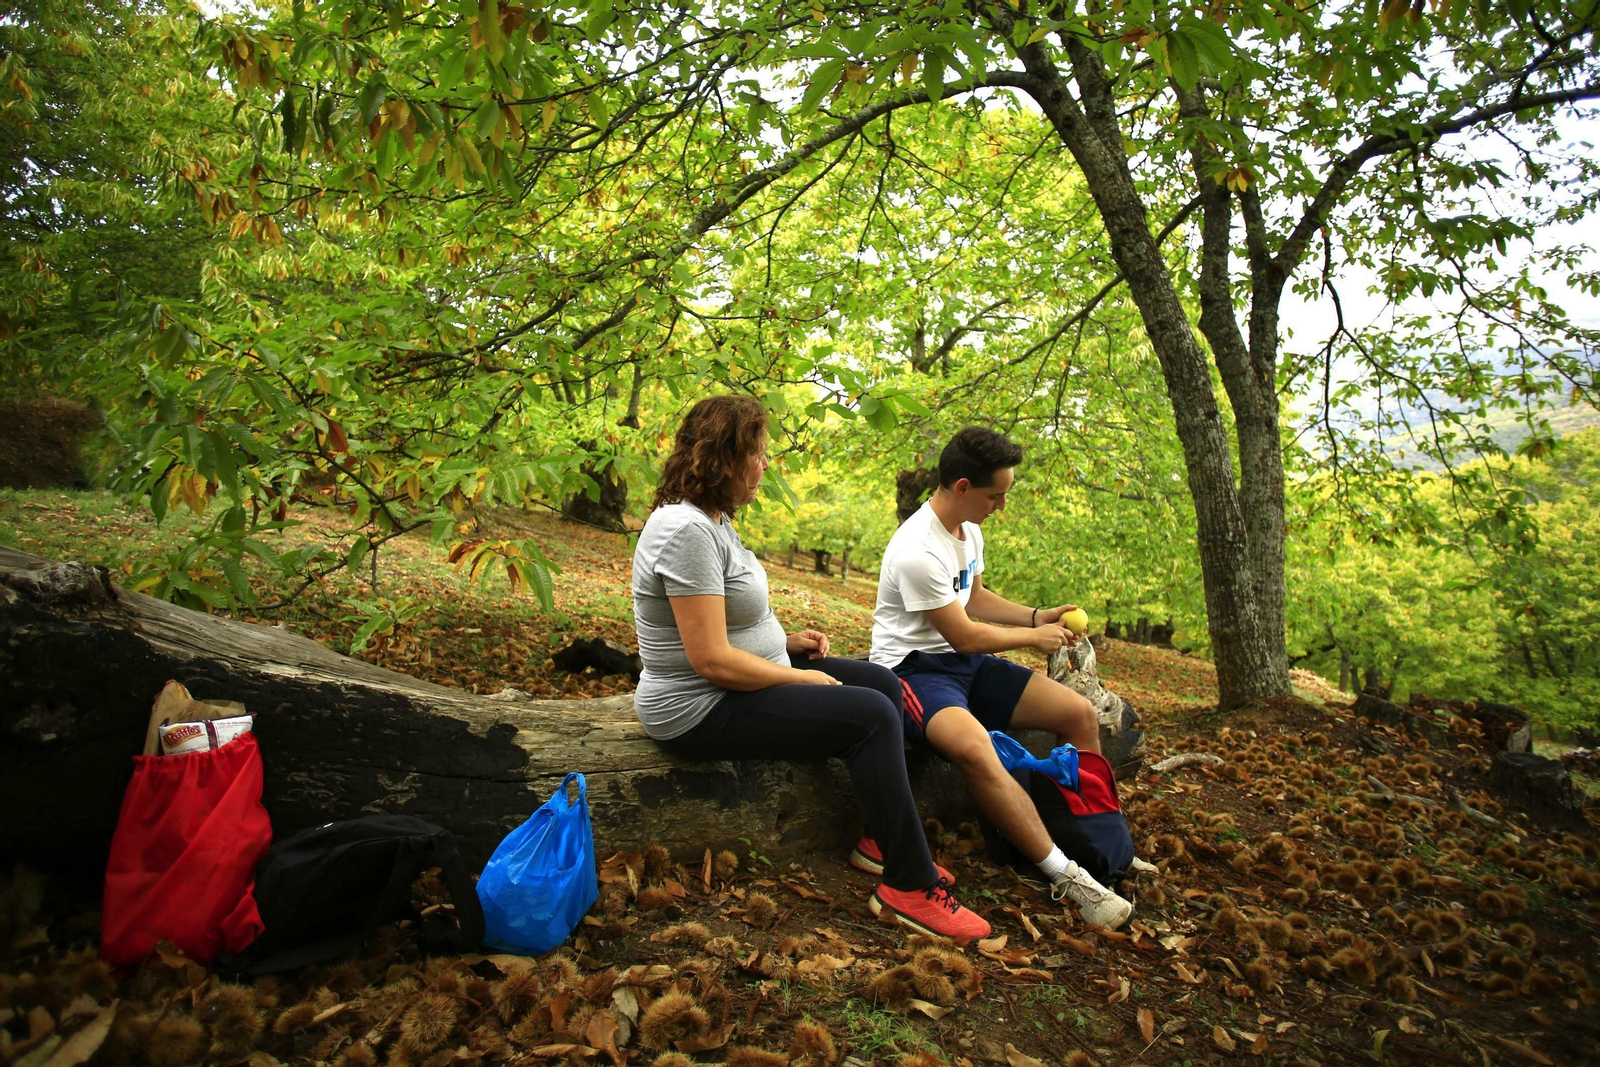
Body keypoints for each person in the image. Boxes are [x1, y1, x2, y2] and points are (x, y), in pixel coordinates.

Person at [631, 395, 989, 942]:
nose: (766, 465)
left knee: (881, 681)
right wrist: (799, 676)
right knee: (868, 713)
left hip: (729, 683)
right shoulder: (686, 531)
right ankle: (908, 885)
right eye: (759, 453)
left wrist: (787, 644)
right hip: (696, 707)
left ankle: (880, 839)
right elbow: (708, 659)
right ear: (725, 459)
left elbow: (721, 620)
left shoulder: (712, 519)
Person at [867, 426, 1134, 928]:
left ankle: (1100, 839)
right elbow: (964, 634)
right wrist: (1033, 641)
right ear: (964, 487)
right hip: (914, 672)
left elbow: (974, 599)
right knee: (976, 748)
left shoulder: (968, 530)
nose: (1001, 506)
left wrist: (1037, 617)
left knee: (1077, 712)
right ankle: (1067, 876)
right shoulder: (916, 550)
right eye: (997, 495)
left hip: (963, 663)